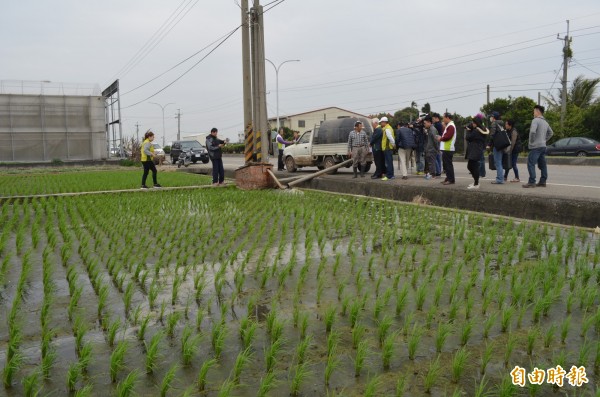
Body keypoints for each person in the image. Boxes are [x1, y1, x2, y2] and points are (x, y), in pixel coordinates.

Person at [523, 105, 553, 188]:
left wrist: (532, 141)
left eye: (534, 111)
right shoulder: (545, 122)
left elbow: (532, 131)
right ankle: (543, 181)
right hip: (543, 146)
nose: (533, 113)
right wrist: (544, 140)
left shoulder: (535, 120)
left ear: (537, 111)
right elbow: (551, 133)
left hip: (535, 146)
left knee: (531, 163)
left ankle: (532, 182)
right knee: (543, 165)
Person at [465, 116, 489, 190]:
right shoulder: (483, 130)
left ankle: (476, 183)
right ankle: (476, 181)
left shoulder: (476, 131)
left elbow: (468, 138)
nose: (472, 124)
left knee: (472, 167)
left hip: (475, 151)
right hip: (477, 150)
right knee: (471, 166)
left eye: (473, 123)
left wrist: (469, 130)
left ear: (476, 123)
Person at [437, 112, 457, 185]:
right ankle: (448, 178)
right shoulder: (449, 125)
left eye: (443, 117)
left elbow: (448, 136)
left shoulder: (451, 126)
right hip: (447, 148)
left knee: (448, 165)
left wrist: (440, 139)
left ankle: (451, 180)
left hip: (448, 148)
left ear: (447, 118)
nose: (443, 119)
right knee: (447, 164)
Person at [487, 111, 505, 184]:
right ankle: (500, 178)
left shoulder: (494, 123)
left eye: (491, 116)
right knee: (499, 162)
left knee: (498, 162)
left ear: (494, 117)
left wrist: (489, 144)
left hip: (497, 145)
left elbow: (492, 135)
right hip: (502, 145)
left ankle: (500, 179)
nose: (490, 118)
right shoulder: (501, 123)